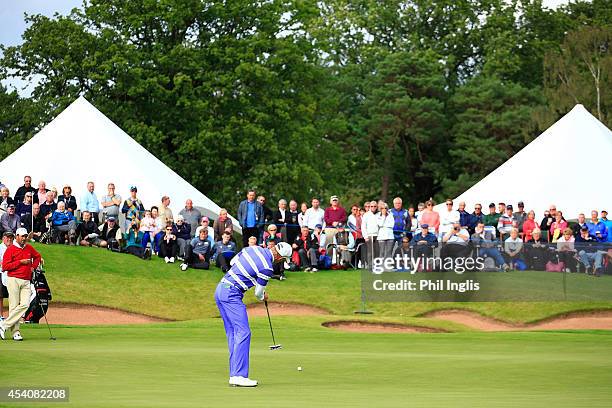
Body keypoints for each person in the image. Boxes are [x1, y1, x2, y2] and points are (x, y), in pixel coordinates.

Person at [215, 242, 292, 387]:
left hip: (220, 289)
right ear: (278, 256)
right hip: (232, 294)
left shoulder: (253, 248)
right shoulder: (267, 267)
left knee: (233, 333)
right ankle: (238, 375)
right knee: (244, 332)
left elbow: (233, 262)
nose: (279, 262)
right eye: (282, 259)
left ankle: (234, 374)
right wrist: (263, 296)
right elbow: (258, 293)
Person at [0, 228, 42, 341]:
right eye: (22, 236)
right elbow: (5, 267)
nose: (24, 238)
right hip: (13, 279)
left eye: (25, 236)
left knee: (25, 304)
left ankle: (4, 325)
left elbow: (38, 256)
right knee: (13, 306)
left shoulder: (29, 248)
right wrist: (20, 262)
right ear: (16, 236)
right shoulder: (10, 249)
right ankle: (16, 332)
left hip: (26, 280)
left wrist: (33, 267)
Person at [0, 231, 15, 320]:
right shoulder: (0, 248)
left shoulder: (14, 248)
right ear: (3, 238)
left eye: (11, 238)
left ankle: (12, 316)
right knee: (0, 296)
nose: (9, 239)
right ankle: (1, 316)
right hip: (1, 273)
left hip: (12, 274)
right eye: (7, 237)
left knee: (13, 296)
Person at [361, 201, 379, 267]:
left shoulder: (379, 214)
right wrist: (365, 237)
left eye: (374, 206)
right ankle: (370, 266)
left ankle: (377, 266)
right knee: (370, 252)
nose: (373, 207)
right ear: (370, 207)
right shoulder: (366, 215)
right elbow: (363, 226)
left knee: (377, 252)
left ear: (377, 207)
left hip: (378, 236)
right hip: (369, 235)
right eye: (372, 206)